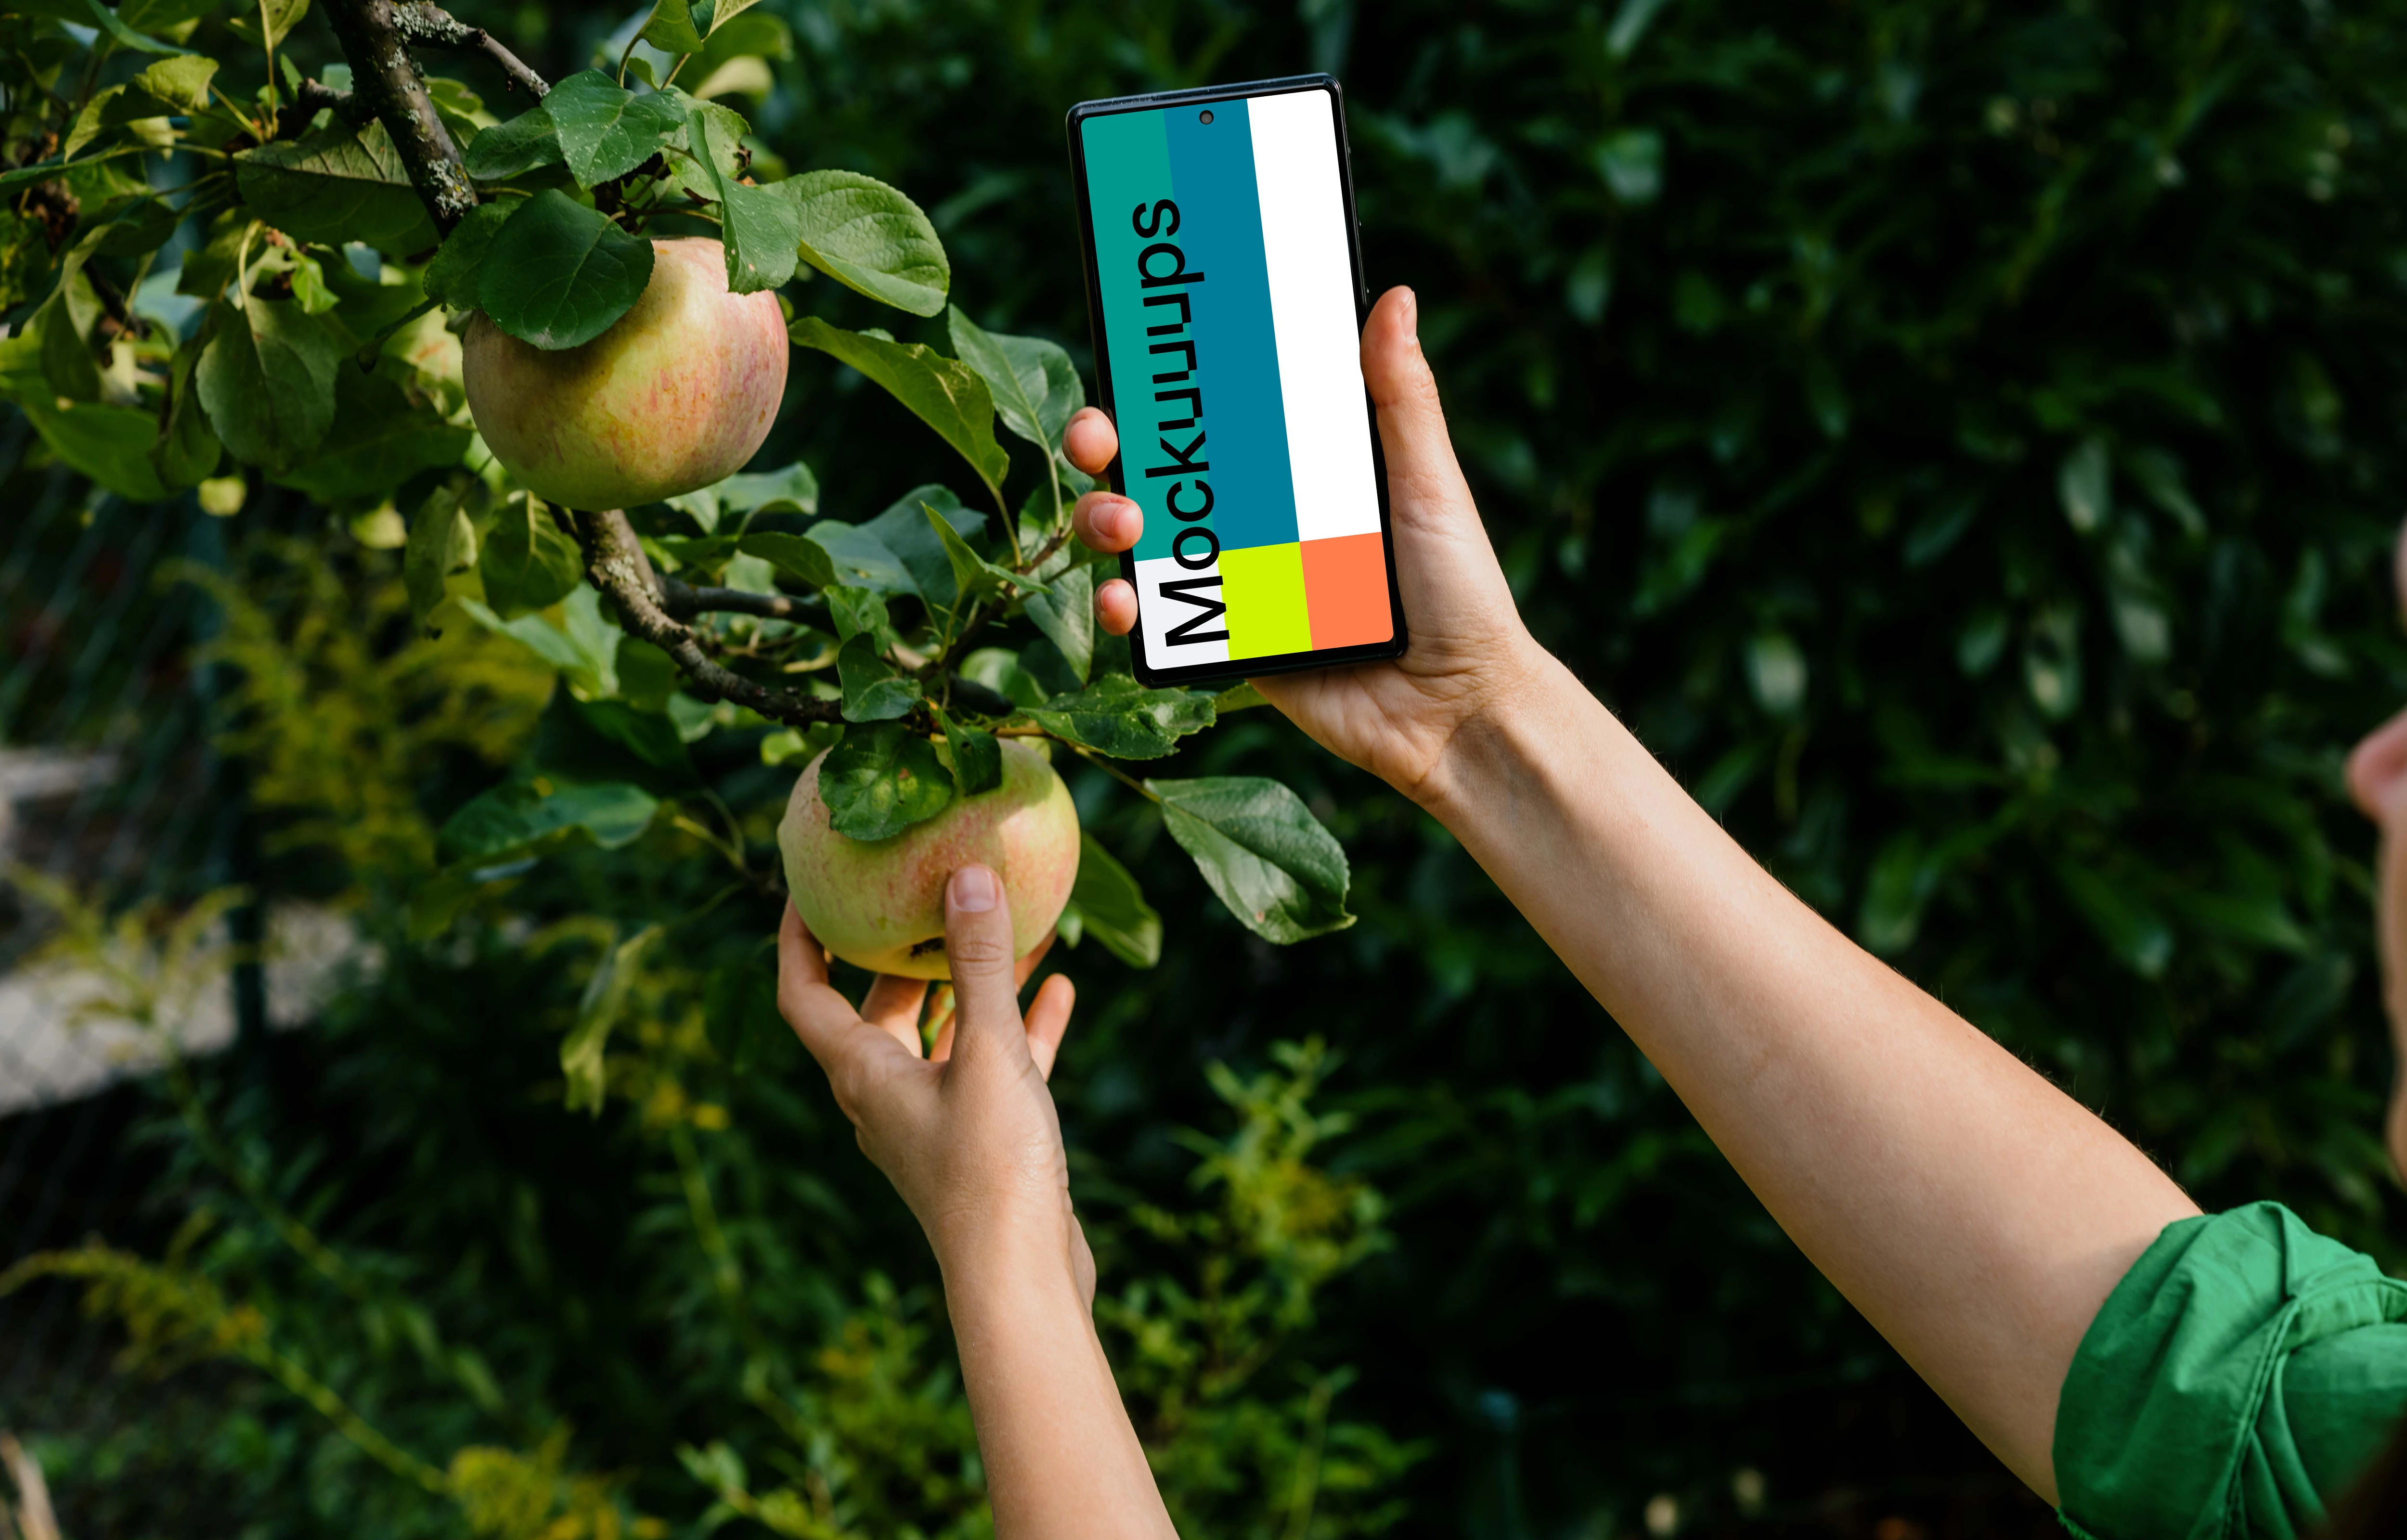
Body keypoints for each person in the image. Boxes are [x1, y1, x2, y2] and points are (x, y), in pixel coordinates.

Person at [776, 286, 2407, 1540]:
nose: (2373, 763)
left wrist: (1005, 1261)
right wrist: (1475, 726)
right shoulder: (2360, 1424)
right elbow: (2166, 1358)